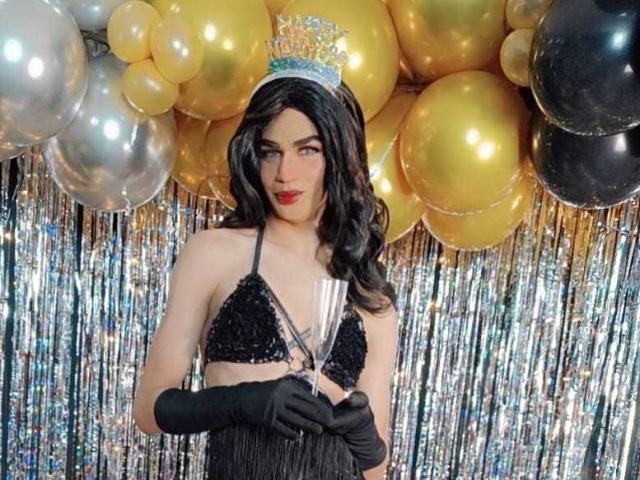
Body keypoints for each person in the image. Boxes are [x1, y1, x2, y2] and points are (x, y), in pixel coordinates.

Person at [132, 14, 398, 480]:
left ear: (339, 156)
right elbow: (150, 410)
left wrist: (362, 433)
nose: (284, 174)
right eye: (270, 151)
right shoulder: (214, 254)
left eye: (307, 150)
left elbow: (376, 471)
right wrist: (240, 401)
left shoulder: (369, 295)